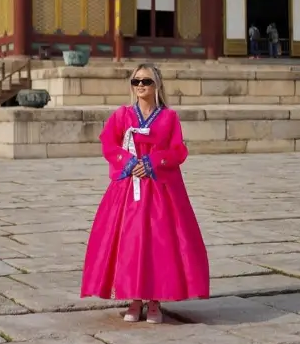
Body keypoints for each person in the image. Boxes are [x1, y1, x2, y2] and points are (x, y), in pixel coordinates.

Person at [81, 63, 209, 324]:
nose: (140, 85)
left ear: (157, 85)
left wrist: (153, 162)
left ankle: (155, 301)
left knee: (159, 243)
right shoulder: (122, 115)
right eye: (136, 81)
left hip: (160, 189)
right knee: (130, 242)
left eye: (146, 81)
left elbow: (178, 151)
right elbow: (108, 143)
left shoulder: (169, 118)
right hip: (128, 189)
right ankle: (134, 298)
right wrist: (127, 162)